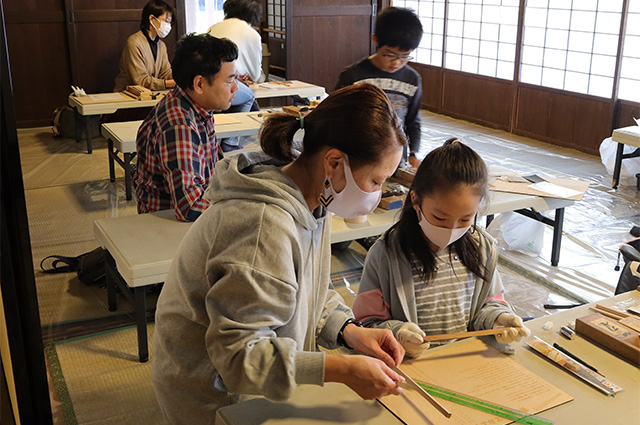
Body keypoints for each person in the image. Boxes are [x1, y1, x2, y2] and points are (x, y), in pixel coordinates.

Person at [152, 84, 409, 423]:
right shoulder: (263, 227)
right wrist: (342, 368)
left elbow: (307, 292)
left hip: (246, 378)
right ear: (333, 163)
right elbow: (240, 357)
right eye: (376, 181)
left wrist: (349, 330)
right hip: (215, 393)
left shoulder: (314, 198)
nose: (377, 194)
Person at [352, 139, 531, 358]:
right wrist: (397, 333)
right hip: (411, 369)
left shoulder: (481, 249)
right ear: (416, 200)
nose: (451, 229)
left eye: (465, 219)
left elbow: (488, 303)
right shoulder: (386, 255)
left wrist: (499, 318)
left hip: (461, 361)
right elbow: (365, 324)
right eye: (439, 217)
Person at [134, 33, 238, 222]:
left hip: (187, 218)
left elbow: (215, 169)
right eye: (229, 81)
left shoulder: (197, 105)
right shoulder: (179, 124)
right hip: (165, 227)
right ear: (199, 84)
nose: (235, 88)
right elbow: (190, 207)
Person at [335, 7, 423, 168]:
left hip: (395, 158)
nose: (396, 62)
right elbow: (336, 118)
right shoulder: (353, 76)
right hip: (358, 156)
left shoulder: (412, 79)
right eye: (389, 54)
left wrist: (413, 153)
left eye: (404, 57)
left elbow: (413, 121)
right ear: (375, 40)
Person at [208, 0, 263, 151]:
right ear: (252, 16)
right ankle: (231, 142)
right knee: (249, 96)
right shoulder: (251, 33)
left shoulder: (214, 27)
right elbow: (255, 74)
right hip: (221, 86)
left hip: (204, 83)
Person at [113, 0, 176, 92]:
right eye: (166, 21)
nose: (168, 26)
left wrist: (180, 78)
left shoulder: (161, 45)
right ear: (152, 19)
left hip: (150, 96)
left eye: (170, 23)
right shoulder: (134, 43)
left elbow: (165, 73)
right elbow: (140, 80)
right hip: (128, 97)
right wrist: (169, 83)